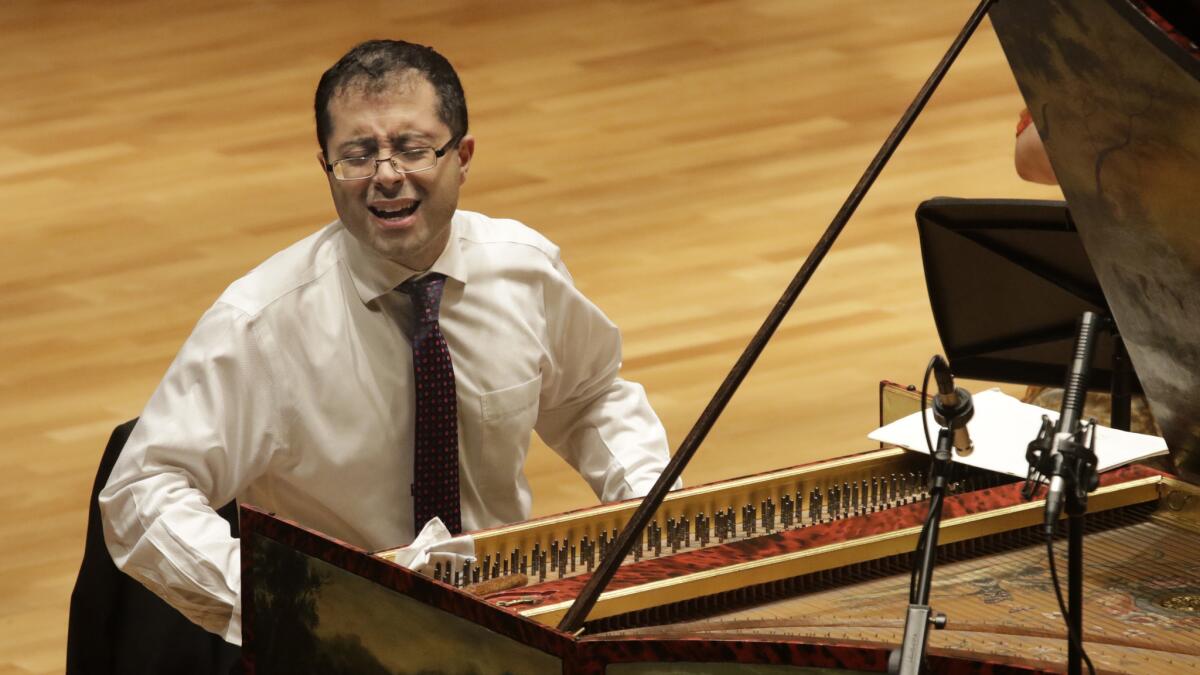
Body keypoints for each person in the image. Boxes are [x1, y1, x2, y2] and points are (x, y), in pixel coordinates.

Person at [99, 39, 673, 646]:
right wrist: (285, 607)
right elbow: (143, 489)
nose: (387, 177)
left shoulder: (523, 271)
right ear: (326, 167)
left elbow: (588, 398)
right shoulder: (259, 324)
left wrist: (657, 521)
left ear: (463, 156)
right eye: (358, 155)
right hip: (340, 647)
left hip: (508, 624)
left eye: (412, 149)